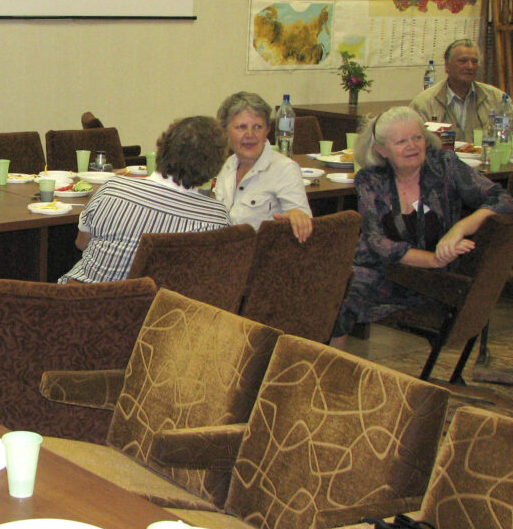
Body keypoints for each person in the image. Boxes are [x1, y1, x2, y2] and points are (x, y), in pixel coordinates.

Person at [331, 106, 513, 344]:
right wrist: (432, 259)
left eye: (417, 137)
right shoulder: (370, 179)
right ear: (381, 150)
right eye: (401, 141)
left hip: (436, 279)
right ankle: (330, 363)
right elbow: (376, 241)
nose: (412, 146)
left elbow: (503, 199)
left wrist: (459, 229)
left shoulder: (445, 166)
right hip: (384, 268)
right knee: (339, 295)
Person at [59, 116, 230, 284]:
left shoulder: (113, 188)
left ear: (162, 148)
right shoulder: (216, 219)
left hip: (82, 297)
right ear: (215, 165)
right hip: (158, 301)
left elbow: (81, 244)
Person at [213, 91, 313, 242]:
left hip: (263, 253)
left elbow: (303, 223)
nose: (250, 134)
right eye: (241, 127)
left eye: (258, 127)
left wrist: (296, 215)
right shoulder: (228, 165)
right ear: (225, 131)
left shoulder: (285, 169)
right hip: (227, 250)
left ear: (267, 130)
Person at [410, 39, 503, 141]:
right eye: (463, 61)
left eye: (474, 61)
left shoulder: (497, 99)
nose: (470, 66)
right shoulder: (424, 104)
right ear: (447, 66)